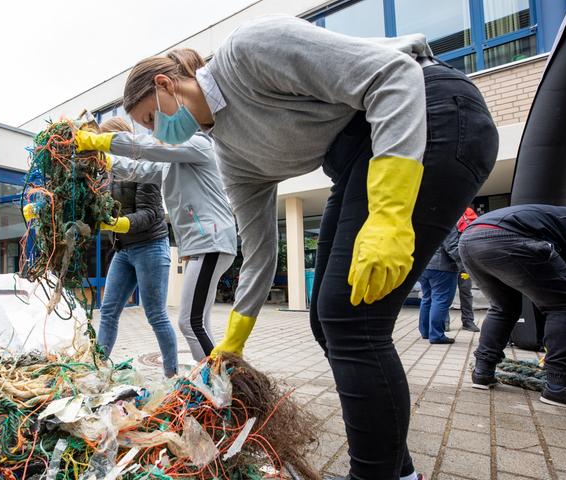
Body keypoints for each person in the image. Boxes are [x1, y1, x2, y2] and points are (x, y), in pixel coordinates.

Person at [121, 15, 498, 479]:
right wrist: (235, 339)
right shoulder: (230, 156)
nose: (157, 133)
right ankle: (396, 471)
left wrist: (390, 214)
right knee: (327, 318)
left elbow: (393, 76)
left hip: (430, 112)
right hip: (356, 157)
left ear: (165, 84)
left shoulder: (247, 51)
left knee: (352, 316)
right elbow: (258, 249)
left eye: (149, 118)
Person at [77, 117, 237, 361]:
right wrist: (104, 159)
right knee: (199, 322)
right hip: (198, 244)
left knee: (187, 322)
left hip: (209, 241)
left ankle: (215, 383)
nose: (152, 130)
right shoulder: (168, 165)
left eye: (153, 121)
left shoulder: (197, 144)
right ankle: (215, 382)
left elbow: (146, 149)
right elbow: (138, 168)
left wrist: (99, 141)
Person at [460, 204, 566, 412]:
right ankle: (560, 384)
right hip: (506, 236)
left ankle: (483, 371)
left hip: (470, 238)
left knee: (503, 307)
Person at [92, 121, 179, 378]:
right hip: (123, 250)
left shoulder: (144, 165)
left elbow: (153, 213)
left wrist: (119, 223)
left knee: (156, 315)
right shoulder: (107, 174)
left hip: (150, 245)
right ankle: (96, 371)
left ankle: (171, 375)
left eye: (105, 142)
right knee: (108, 311)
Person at [418, 229, 462, 344]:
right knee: (440, 300)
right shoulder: (449, 220)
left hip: (423, 266)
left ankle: (426, 332)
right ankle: (437, 335)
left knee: (427, 298)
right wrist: (464, 263)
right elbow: (452, 246)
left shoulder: (426, 218)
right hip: (442, 267)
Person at [455, 207, 480, 332]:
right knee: (444, 295)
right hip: (451, 262)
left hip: (462, 262)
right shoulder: (446, 213)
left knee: (466, 292)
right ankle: (445, 321)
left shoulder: (468, 212)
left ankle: (468, 321)